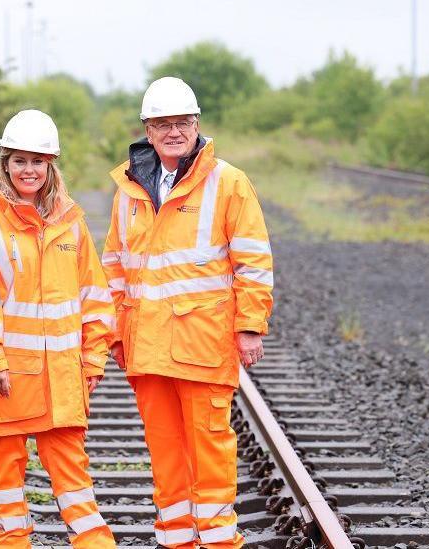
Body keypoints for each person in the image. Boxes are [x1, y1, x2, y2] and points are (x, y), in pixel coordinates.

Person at [102, 77, 274, 548]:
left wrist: (251, 325)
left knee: (210, 445)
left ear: (197, 125)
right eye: (163, 124)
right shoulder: (129, 189)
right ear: (148, 130)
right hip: (148, 346)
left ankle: (218, 541)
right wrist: (114, 333)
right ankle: (176, 538)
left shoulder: (228, 183)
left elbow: (252, 258)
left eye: (182, 122)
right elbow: (114, 266)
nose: (173, 131)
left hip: (202, 341)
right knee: (165, 450)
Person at [0, 110, 117, 549]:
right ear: (5, 164)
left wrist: (94, 356)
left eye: (37, 162)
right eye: (19, 161)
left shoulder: (70, 224)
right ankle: (13, 543)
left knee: (73, 471)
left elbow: (94, 296)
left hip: (62, 375)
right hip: (9, 373)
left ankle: (94, 543)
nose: (28, 170)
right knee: (6, 468)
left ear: (50, 167)